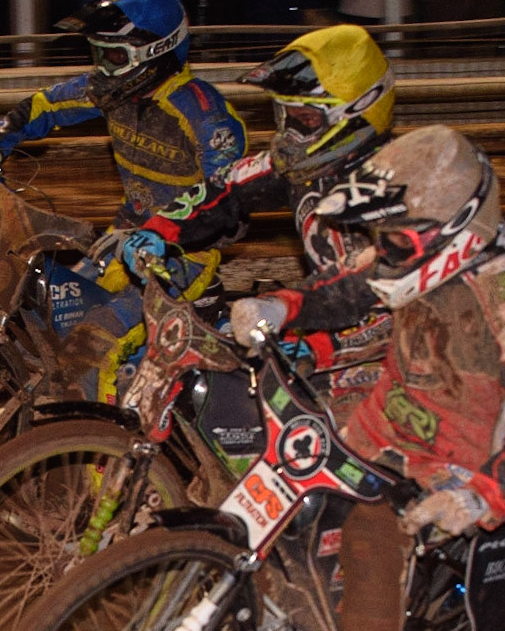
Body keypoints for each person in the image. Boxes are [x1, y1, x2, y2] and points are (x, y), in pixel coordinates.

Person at [227, 124, 505, 631]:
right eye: (379, 236)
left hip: (450, 461)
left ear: (452, 229)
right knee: (265, 455)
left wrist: (478, 497)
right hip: (375, 424)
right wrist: (280, 306)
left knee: (371, 536)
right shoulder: (412, 252)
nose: (381, 250)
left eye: (394, 239)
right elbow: (348, 290)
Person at [0, 0, 248, 400]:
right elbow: (44, 105)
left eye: (114, 57)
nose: (103, 69)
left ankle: (102, 441)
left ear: (155, 51)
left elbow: (228, 200)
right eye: (98, 54)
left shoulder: (202, 112)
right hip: (122, 240)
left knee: (91, 347)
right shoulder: (111, 92)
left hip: (184, 255)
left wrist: (160, 230)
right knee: (54, 307)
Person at [121, 24, 400, 408]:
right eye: (286, 115)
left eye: (305, 120)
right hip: (327, 326)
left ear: (354, 113)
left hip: (398, 358)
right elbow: (225, 189)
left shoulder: (398, 192)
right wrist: (159, 230)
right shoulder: (301, 168)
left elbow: (406, 305)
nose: (290, 133)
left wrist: (317, 348)